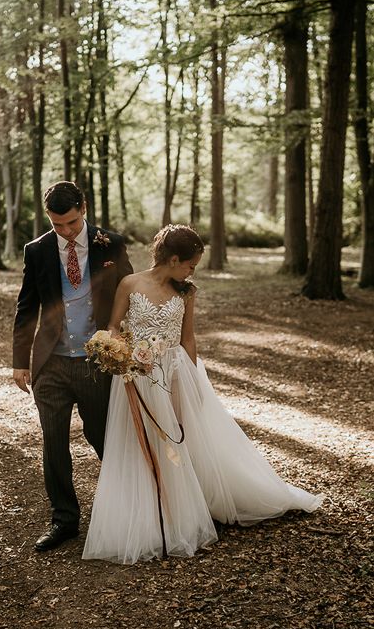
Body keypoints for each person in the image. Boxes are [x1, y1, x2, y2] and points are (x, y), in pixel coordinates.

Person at [82, 224, 322, 564]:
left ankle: (182, 509)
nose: (192, 271)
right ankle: (149, 514)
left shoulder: (186, 292)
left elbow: (188, 338)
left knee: (178, 438)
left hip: (174, 372)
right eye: (191, 265)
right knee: (141, 442)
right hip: (135, 374)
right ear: (175, 259)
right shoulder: (130, 284)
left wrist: (191, 379)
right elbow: (113, 325)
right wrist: (116, 352)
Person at [12, 181, 134, 551]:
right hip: (50, 363)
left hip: (97, 363)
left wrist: (128, 345)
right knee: (53, 443)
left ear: (84, 207)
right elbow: (26, 305)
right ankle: (64, 520)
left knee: (102, 437)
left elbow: (131, 295)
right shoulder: (37, 250)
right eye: (57, 225)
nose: (65, 231)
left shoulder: (110, 244)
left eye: (72, 222)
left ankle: (127, 508)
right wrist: (20, 362)